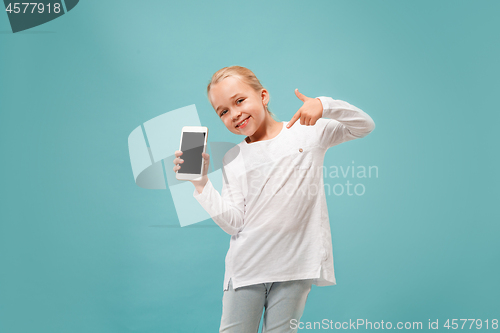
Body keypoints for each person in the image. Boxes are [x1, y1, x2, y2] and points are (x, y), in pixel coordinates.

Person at [173, 66, 375, 333]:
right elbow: (234, 223)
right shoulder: (233, 158)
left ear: (263, 96)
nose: (234, 114)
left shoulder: (307, 132)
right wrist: (201, 184)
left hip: (295, 269)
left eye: (239, 101)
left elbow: (364, 125)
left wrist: (324, 105)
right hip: (247, 270)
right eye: (223, 111)